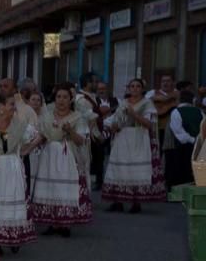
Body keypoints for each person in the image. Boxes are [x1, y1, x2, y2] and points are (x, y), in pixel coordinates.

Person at [30, 84, 92, 236]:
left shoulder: (77, 117)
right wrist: (28, 147)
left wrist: (70, 131)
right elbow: (42, 136)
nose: (61, 100)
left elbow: (81, 141)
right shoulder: (47, 116)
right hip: (50, 155)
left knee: (65, 188)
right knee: (51, 186)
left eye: (65, 97)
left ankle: (65, 224)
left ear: (71, 99)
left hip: (68, 155)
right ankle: (52, 222)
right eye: (58, 97)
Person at [0, 94, 39, 252]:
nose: (14, 107)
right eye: (11, 104)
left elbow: (38, 137)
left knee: (12, 199)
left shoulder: (20, 126)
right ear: (0, 106)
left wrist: (24, 152)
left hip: (12, 167)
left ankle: (13, 237)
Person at [103, 79, 167, 213]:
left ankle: (136, 202)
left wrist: (134, 114)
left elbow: (149, 124)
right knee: (119, 170)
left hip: (139, 138)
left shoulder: (147, 103)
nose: (135, 88)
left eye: (138, 86)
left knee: (136, 171)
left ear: (142, 89)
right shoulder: (123, 103)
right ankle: (118, 201)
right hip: (122, 138)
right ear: (128, 88)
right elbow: (115, 120)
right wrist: (113, 127)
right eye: (132, 86)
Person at [166, 89, 203, 188]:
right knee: (193, 171)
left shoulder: (176, 112)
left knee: (180, 170)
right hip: (198, 145)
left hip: (181, 147)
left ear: (179, 100)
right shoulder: (199, 112)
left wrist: (191, 139)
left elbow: (178, 131)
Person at [73, 72, 102, 191]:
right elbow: (89, 118)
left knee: (92, 163)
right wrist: (98, 135)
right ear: (87, 83)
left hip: (91, 136)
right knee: (84, 165)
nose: (97, 84)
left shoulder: (92, 97)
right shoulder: (81, 99)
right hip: (84, 135)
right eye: (94, 81)